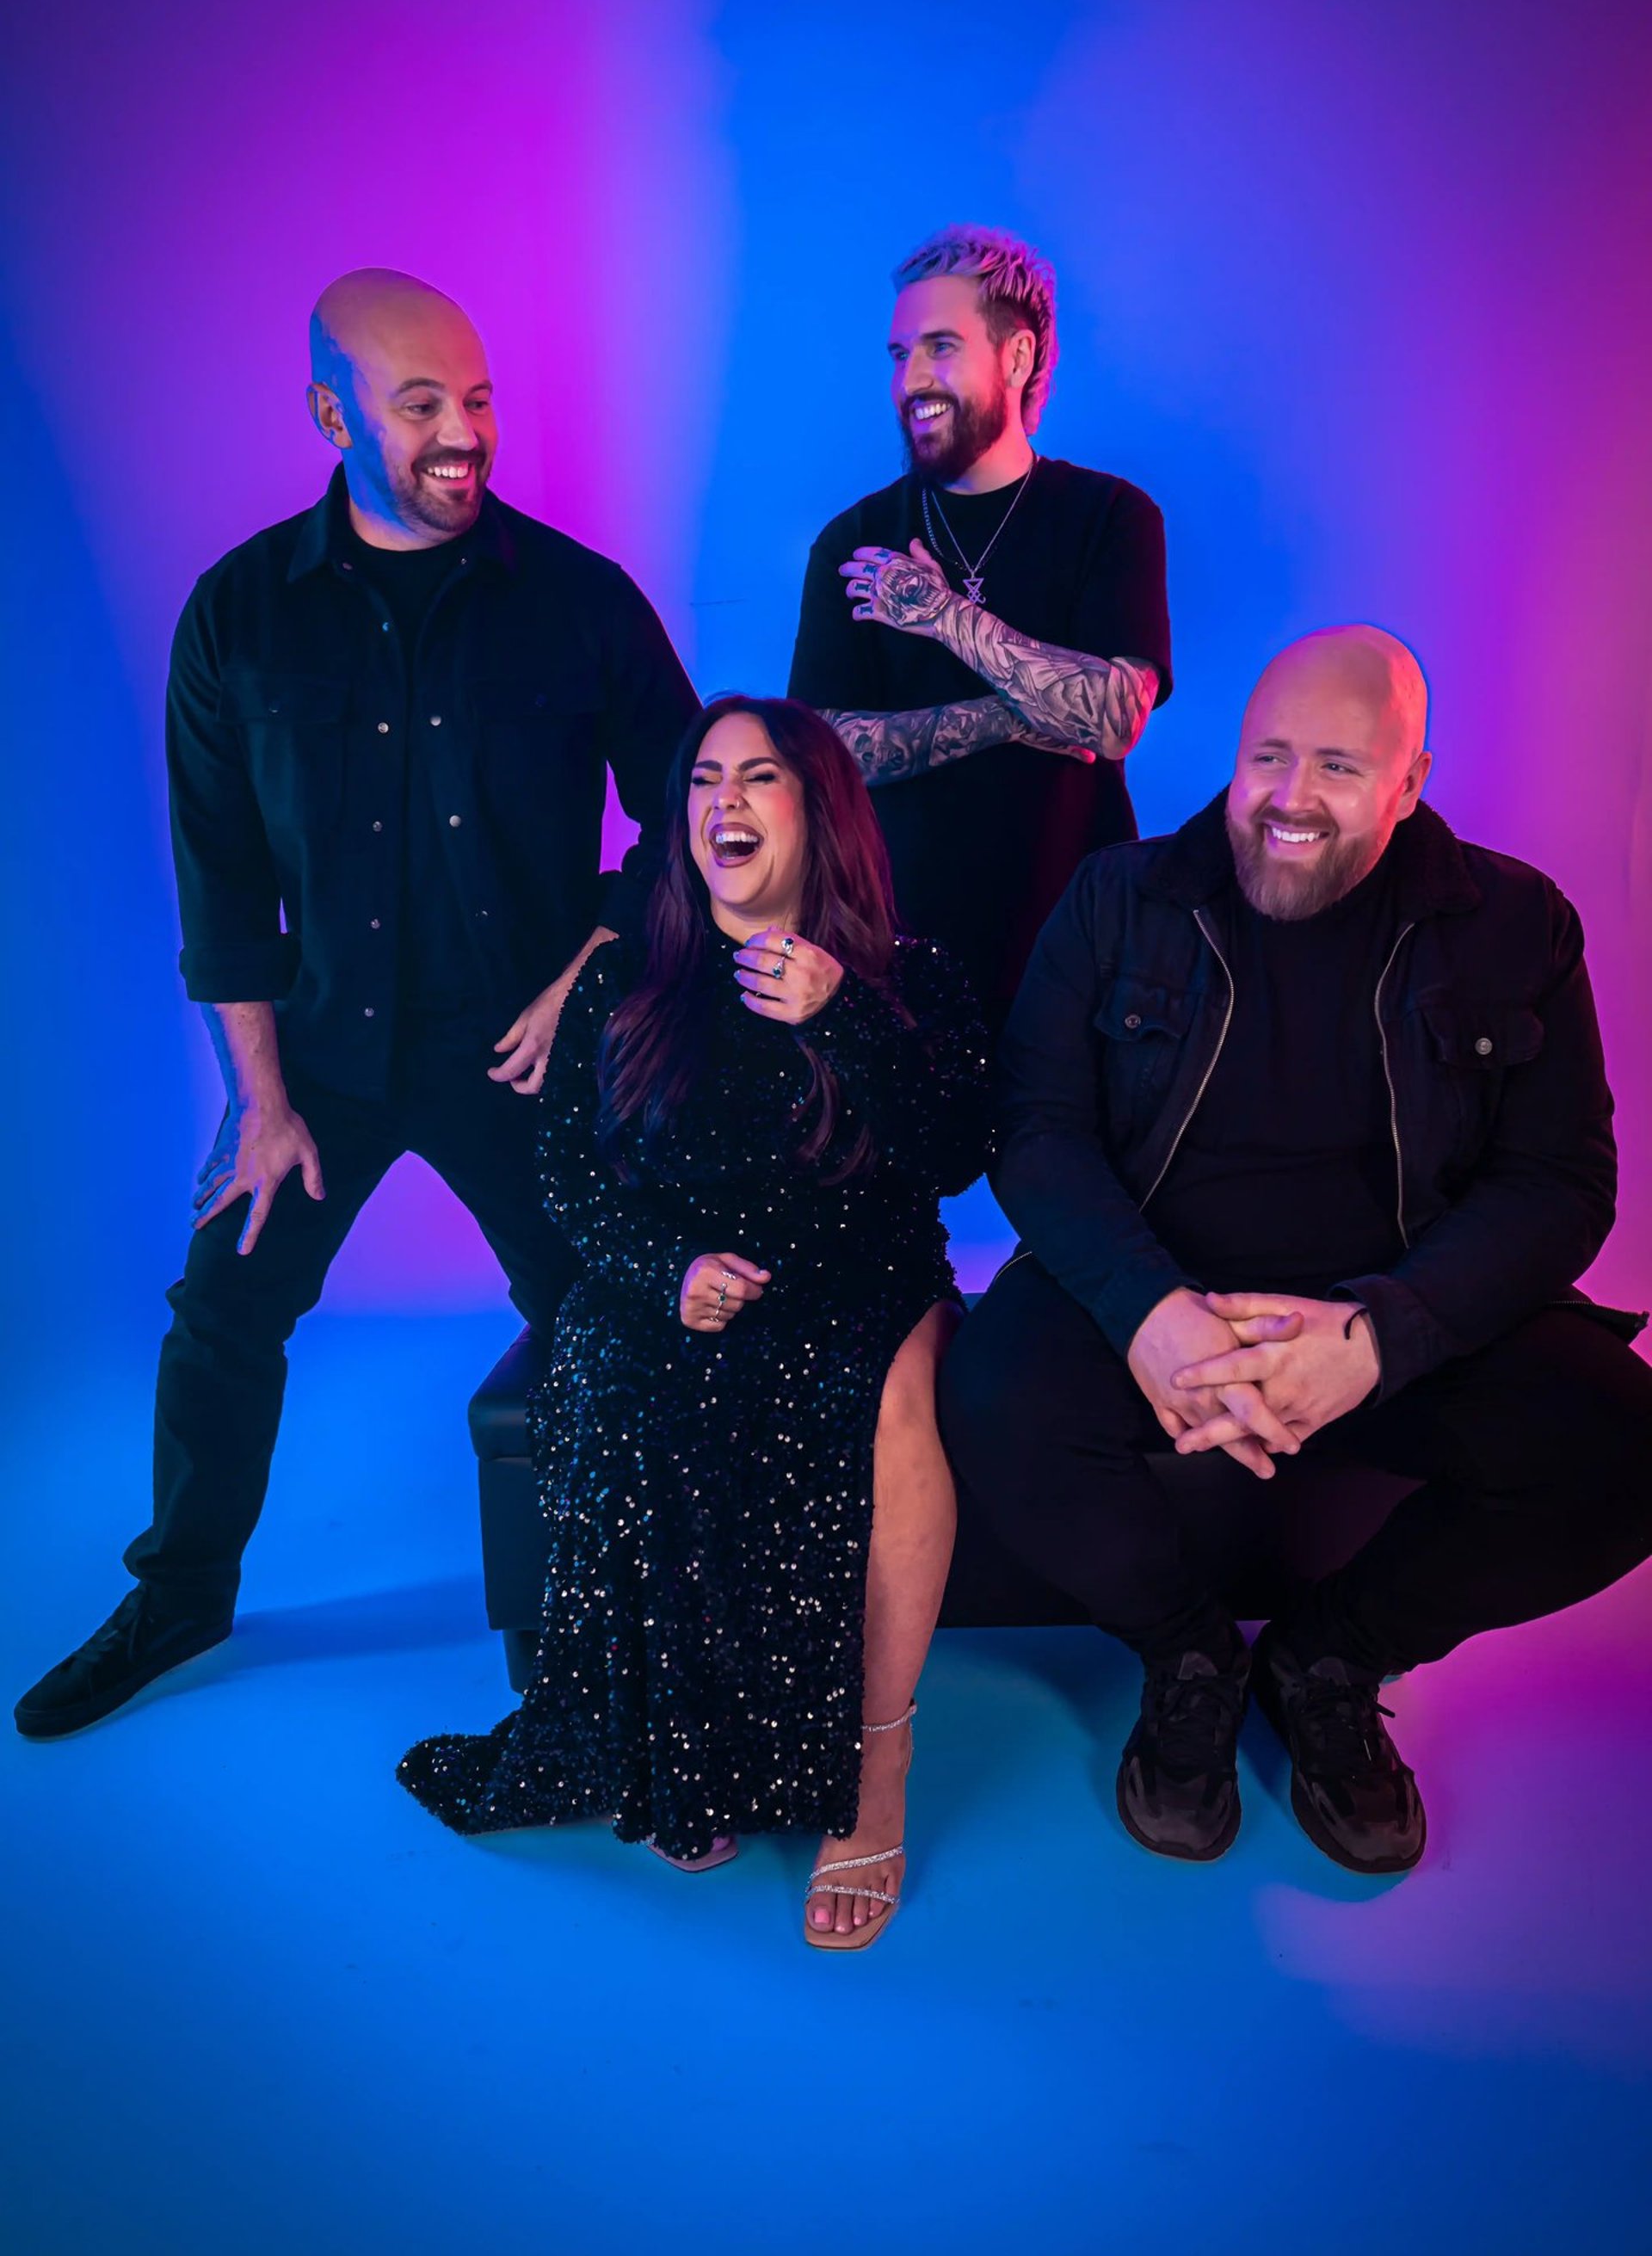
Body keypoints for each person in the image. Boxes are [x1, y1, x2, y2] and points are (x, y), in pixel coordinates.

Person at [15, 269, 699, 1741]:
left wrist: (582, 972)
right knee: (221, 1313)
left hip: (523, 1056)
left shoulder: (579, 603)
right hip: (317, 1057)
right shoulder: (242, 618)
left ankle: (610, 1617)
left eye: (479, 398)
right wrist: (260, 1106)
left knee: (596, 1314)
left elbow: (691, 821)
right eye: (422, 406)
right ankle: (183, 1594)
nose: (466, 434)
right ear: (333, 414)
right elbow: (222, 885)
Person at [940, 626, 1652, 1876]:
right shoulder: (1120, 899)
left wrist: (1380, 1339)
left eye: (1336, 765)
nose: (1289, 798)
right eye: (1269, 756)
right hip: (1156, 1299)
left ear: (1409, 781)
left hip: (1400, 1318)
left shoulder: (1516, 923)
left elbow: (1563, 1185)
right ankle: (1189, 1654)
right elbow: (1033, 1128)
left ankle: (1330, 1656)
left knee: (1628, 1448)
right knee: (993, 1397)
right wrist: (1152, 1309)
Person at [398, 697, 990, 1949]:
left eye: (760, 777)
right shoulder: (622, 977)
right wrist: (666, 1270)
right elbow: (563, 1174)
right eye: (704, 780)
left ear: (817, 810)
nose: (724, 800)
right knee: (618, 1381)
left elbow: (953, 1155)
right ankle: (690, 1750)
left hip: (864, 1276)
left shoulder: (910, 972)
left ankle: (875, 1771)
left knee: (882, 1405)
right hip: (678, 1275)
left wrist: (843, 1013)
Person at [788, 224, 1171, 1032]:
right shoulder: (852, 543)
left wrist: (943, 617)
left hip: (1082, 958)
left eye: (940, 347)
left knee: (1061, 1162)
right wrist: (1011, 716)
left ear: (1019, 357)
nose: (912, 380)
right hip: (896, 961)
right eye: (899, 355)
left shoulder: (1110, 517)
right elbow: (822, 750)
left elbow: (1112, 719)